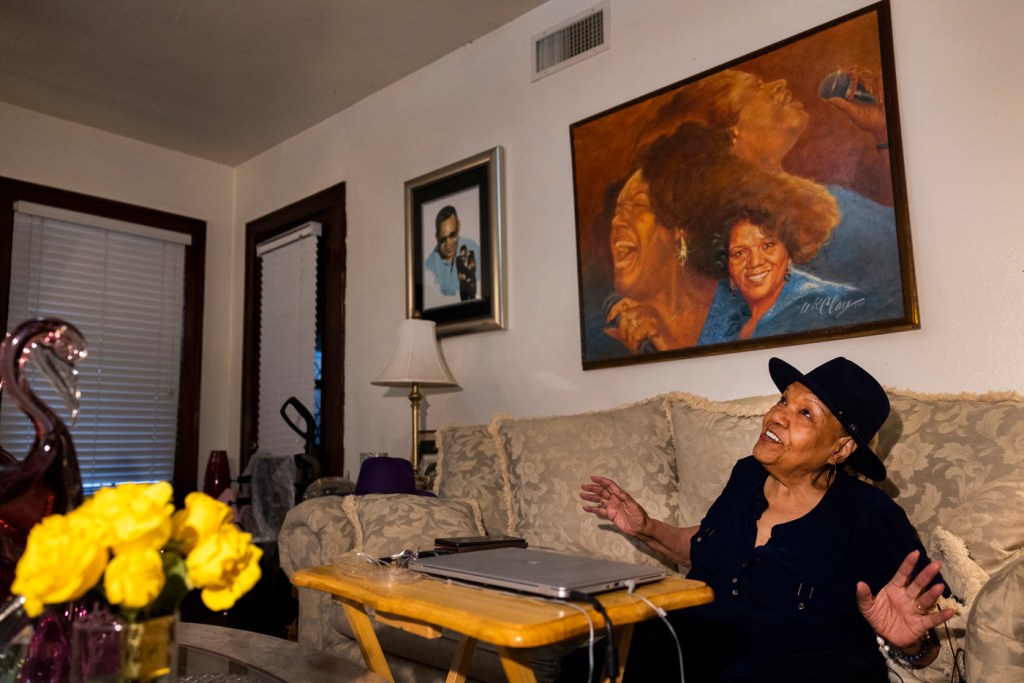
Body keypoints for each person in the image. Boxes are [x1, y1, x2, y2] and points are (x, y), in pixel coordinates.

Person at [569, 357, 954, 681]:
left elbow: (927, 636)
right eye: (783, 401)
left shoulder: (872, 514)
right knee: (590, 659)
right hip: (701, 646)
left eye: (805, 413)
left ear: (841, 448)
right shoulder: (747, 474)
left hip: (801, 664)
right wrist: (647, 528)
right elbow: (707, 545)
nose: (777, 416)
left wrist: (910, 645)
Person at [424, 206, 479, 298]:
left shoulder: (474, 248)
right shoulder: (429, 265)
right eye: (442, 239)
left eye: (452, 235)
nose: (448, 244)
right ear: (437, 236)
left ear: (458, 226)